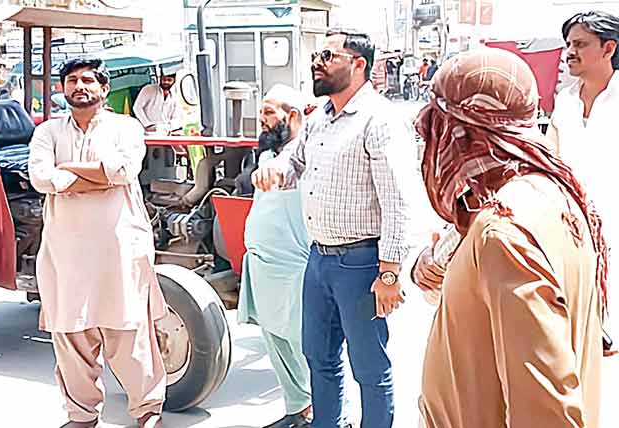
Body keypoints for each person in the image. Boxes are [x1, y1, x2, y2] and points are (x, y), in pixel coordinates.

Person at [414, 48, 606, 428]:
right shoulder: (553, 193)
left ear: (461, 133)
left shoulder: (502, 232)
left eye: (435, 128)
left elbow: (547, 415)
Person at [253, 29, 420, 428]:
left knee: (368, 366)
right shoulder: (320, 119)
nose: (317, 62)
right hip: (319, 259)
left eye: (328, 56)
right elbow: (294, 161)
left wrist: (389, 273)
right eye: (317, 55)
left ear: (358, 64)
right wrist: (274, 169)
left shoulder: (379, 120)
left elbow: (398, 202)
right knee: (319, 356)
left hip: (361, 263)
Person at [28, 58, 167, 428]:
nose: (80, 86)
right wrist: (99, 177)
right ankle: (81, 414)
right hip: (66, 251)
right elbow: (40, 178)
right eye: (72, 80)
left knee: (129, 331)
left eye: (88, 80)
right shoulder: (48, 131)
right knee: (71, 333)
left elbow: (124, 171)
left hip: (118, 248)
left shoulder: (126, 127)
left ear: (104, 89)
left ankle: (147, 410)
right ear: (62, 88)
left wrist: (66, 170)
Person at [239, 84, 312, 428]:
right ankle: (297, 409)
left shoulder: (305, 153)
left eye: (269, 112)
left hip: (295, 266)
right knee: (275, 340)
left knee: (306, 345)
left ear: (293, 116)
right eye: (261, 112)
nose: (262, 120)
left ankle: (330, 414)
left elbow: (291, 162)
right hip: (263, 263)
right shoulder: (267, 156)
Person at [546, 11, 619, 355]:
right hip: (574, 221)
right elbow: (552, 158)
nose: (570, 52)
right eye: (568, 44)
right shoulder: (565, 101)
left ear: (609, 48)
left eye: (580, 44)